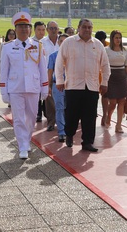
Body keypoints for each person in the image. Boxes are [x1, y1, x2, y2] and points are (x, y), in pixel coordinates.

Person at [55, 18, 110, 152]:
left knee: (90, 116)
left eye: (89, 27)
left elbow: (105, 65)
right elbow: (59, 62)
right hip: (73, 85)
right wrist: (59, 81)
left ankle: (87, 142)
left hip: (91, 86)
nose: (87, 30)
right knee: (72, 115)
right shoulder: (69, 42)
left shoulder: (97, 45)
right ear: (78, 28)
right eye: (84, 27)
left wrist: (104, 83)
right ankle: (69, 134)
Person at [0, 12, 49, 159]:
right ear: (15, 29)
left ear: (30, 29)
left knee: (32, 117)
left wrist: (44, 88)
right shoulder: (8, 47)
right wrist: (4, 91)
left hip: (33, 87)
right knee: (19, 118)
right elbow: (4, 72)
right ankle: (22, 146)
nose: (24, 29)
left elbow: (42, 69)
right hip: (15, 88)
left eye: (26, 26)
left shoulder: (38, 46)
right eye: (20, 26)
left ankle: (26, 141)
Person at [104, 30, 127, 133]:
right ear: (112, 39)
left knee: (122, 101)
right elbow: (104, 65)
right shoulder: (106, 50)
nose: (118, 40)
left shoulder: (124, 50)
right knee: (113, 102)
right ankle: (108, 116)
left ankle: (118, 125)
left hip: (122, 76)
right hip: (111, 76)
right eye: (116, 38)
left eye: (120, 37)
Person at [47, 34, 69, 142]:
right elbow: (50, 72)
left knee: (69, 109)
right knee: (59, 108)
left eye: (66, 41)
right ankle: (61, 131)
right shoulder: (53, 56)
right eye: (61, 41)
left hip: (71, 85)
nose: (63, 43)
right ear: (58, 43)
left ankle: (68, 129)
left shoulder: (73, 56)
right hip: (58, 85)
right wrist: (49, 86)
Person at [41, 21, 60, 132]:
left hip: (61, 76)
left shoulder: (63, 41)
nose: (53, 30)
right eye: (51, 28)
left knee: (62, 100)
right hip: (47, 75)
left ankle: (62, 122)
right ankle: (51, 122)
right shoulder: (41, 43)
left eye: (55, 28)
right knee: (49, 100)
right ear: (47, 29)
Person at [95, 30, 110, 126]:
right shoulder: (93, 45)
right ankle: (94, 111)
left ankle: (105, 115)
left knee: (105, 96)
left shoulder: (108, 46)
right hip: (95, 74)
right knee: (94, 96)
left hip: (104, 74)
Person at [33, 21, 47, 123]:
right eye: (39, 30)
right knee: (36, 95)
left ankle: (46, 112)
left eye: (43, 30)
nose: (41, 32)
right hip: (34, 74)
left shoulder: (46, 42)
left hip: (46, 72)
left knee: (45, 94)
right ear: (34, 30)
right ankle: (38, 113)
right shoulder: (31, 43)